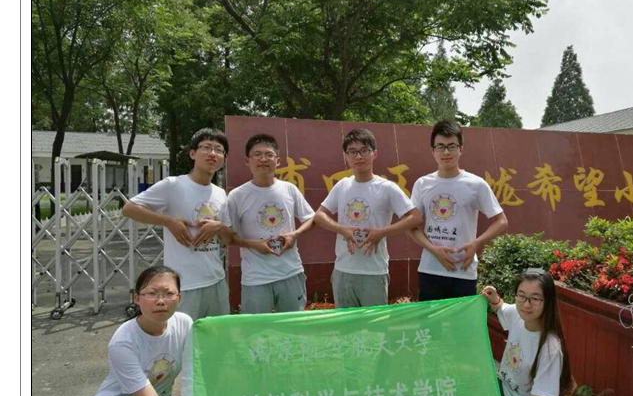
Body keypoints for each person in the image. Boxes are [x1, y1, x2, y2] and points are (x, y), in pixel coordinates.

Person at [82, 266, 193, 396]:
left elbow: (200, 370)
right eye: (152, 293)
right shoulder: (123, 342)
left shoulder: (184, 324)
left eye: (168, 293)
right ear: (137, 299)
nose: (161, 301)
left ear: (179, 298)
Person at [122, 128, 233, 320]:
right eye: (206, 148)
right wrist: (169, 222)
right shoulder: (173, 185)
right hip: (183, 285)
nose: (213, 154)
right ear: (193, 153)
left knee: (218, 336)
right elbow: (129, 209)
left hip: (217, 281)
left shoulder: (220, 193)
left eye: (219, 150)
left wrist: (219, 227)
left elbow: (228, 239)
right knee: (182, 336)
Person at [313, 128, 423, 308]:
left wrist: (381, 232)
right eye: (352, 152)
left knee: (374, 325)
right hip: (343, 269)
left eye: (364, 151)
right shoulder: (342, 186)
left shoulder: (387, 188)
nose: (358, 157)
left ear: (374, 154)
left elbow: (415, 217)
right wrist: (342, 230)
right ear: (346, 156)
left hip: (374, 271)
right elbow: (319, 215)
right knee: (346, 324)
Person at [482, 268, 573, 396]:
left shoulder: (549, 348)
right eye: (521, 296)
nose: (526, 304)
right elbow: (502, 308)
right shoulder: (518, 314)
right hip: (505, 390)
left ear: (547, 301)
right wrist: (495, 300)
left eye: (535, 299)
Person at [408, 120, 508, 301]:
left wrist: (477, 243)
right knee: (431, 320)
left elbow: (501, 221)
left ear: (461, 149)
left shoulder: (476, 184)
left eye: (451, 146)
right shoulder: (422, 184)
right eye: (440, 147)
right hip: (430, 270)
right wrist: (433, 249)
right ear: (433, 151)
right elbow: (410, 226)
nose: (446, 152)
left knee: (460, 320)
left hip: (463, 272)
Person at [227, 134, 315, 314]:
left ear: (278, 161)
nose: (263, 159)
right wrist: (254, 244)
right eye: (257, 155)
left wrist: (294, 235)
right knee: (256, 329)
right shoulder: (237, 196)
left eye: (269, 155)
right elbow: (228, 237)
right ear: (247, 160)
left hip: (290, 273)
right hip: (256, 278)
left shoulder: (289, 189)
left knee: (292, 326)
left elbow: (311, 218)